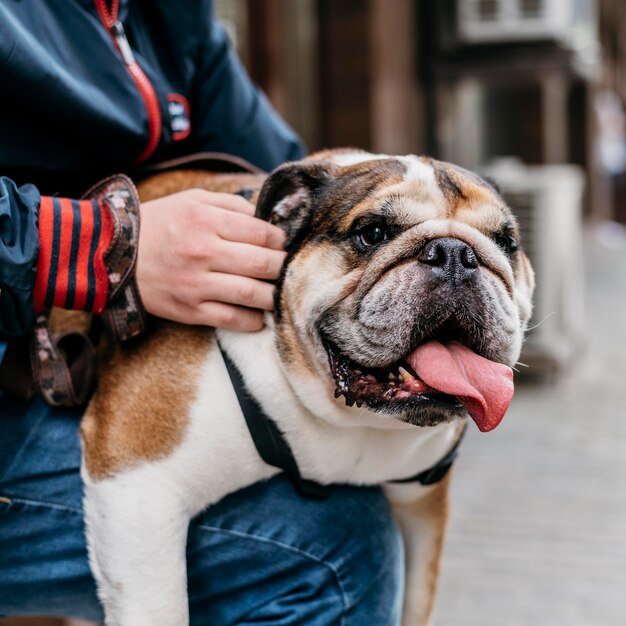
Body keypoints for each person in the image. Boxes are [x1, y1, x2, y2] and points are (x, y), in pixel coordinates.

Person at [0, 1, 404, 624]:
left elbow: (288, 176)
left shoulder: (165, 14)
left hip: (66, 362)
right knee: (328, 549)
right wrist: (105, 247)